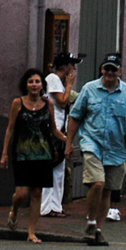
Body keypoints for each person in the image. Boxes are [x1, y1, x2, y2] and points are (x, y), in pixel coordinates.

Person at [65, 53, 126, 247]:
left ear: (120, 72)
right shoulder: (89, 89)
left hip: (116, 147)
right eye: (106, 68)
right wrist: (68, 143)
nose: (109, 72)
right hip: (93, 143)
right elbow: (75, 117)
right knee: (97, 183)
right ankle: (91, 222)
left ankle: (98, 230)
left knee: (108, 190)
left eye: (113, 69)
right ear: (102, 70)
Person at [0, 68, 65, 244]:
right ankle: (14, 209)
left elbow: (53, 129)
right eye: (31, 82)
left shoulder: (48, 104)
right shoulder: (18, 103)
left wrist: (68, 139)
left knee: (37, 193)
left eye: (37, 81)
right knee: (21, 194)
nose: (34, 85)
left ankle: (32, 232)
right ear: (26, 85)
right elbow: (10, 129)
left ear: (42, 85)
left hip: (43, 154)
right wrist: (4, 153)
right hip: (22, 154)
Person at [41, 52, 81, 217]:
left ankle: (55, 206)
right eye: (72, 66)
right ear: (65, 67)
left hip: (61, 127)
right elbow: (62, 102)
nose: (74, 69)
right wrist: (70, 84)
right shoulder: (53, 79)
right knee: (51, 167)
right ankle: (46, 207)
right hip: (53, 127)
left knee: (59, 168)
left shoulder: (60, 82)